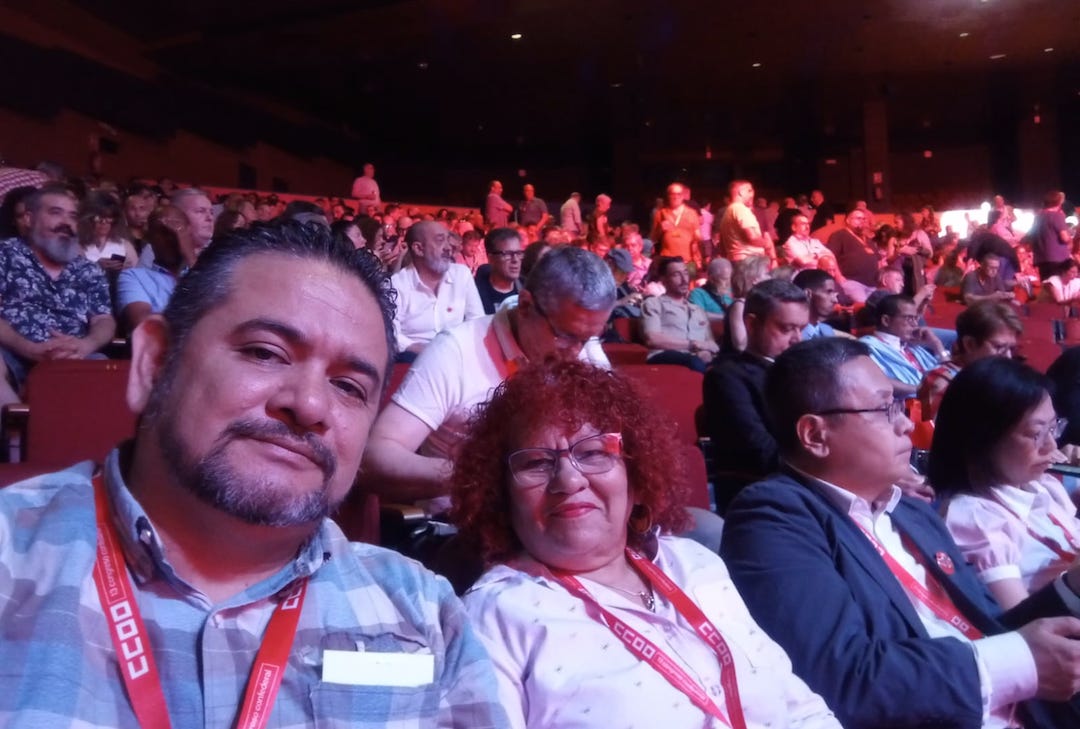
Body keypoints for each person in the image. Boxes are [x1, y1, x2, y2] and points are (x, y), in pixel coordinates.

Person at [0, 221, 507, 727]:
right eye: (265, 353)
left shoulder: (425, 615)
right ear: (154, 364)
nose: (309, 405)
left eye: (349, 387)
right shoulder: (10, 557)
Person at [454, 359, 842, 729]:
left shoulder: (695, 563)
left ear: (636, 475)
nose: (569, 480)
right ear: (502, 495)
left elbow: (799, 706)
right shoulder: (492, 617)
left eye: (593, 453)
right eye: (537, 463)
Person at [721, 337, 1080, 729]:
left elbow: (993, 627)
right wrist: (1018, 662)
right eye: (885, 408)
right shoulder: (773, 519)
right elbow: (843, 678)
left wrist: (1071, 589)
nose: (906, 423)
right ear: (815, 435)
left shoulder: (913, 512)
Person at [361, 246, 615, 512]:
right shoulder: (456, 351)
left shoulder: (585, 348)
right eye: (564, 336)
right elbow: (376, 456)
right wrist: (487, 476)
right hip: (466, 520)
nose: (576, 353)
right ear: (526, 305)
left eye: (588, 339)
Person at [933, 357, 1080, 610]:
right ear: (982, 439)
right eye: (1036, 434)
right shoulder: (974, 517)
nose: (1051, 446)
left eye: (1053, 428)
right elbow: (1017, 622)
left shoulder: (1041, 485)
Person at [0, 185, 116, 405]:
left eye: (72, 216)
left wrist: (86, 345)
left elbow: (104, 319)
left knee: (105, 369)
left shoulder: (88, 270)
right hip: (11, 354)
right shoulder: (5, 254)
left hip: (75, 359)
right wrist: (28, 348)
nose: (66, 222)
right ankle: (17, 423)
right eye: (55, 212)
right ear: (29, 219)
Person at [703, 278, 809, 512]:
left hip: (807, 487)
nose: (797, 339)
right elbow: (758, 451)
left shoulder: (808, 372)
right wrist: (826, 471)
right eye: (786, 328)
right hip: (763, 497)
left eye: (801, 329)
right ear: (751, 324)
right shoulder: (726, 376)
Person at [389, 221, 484, 361]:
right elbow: (391, 335)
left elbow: (477, 322)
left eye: (448, 240)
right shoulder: (396, 285)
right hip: (413, 360)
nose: (448, 247)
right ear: (418, 249)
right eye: (440, 240)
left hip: (457, 356)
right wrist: (420, 348)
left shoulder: (461, 275)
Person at [917, 301, 1022, 420]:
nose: (1008, 357)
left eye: (1012, 349)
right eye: (999, 347)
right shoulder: (942, 383)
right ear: (970, 344)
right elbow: (930, 430)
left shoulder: (1002, 380)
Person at [116, 205, 199, 331]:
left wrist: (190, 257)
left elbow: (220, 314)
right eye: (163, 232)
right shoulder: (134, 277)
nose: (172, 237)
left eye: (178, 228)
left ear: (189, 232)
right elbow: (144, 324)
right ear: (149, 238)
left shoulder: (207, 272)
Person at [859, 294, 949, 397]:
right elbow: (872, 379)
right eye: (909, 318)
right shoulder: (866, 347)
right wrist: (920, 390)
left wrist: (937, 345)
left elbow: (951, 374)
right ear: (886, 320)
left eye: (916, 318)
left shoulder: (913, 347)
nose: (915, 324)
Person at [640, 256, 717, 372]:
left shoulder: (697, 310)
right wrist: (694, 345)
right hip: (665, 356)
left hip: (698, 358)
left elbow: (711, 343)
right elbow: (652, 339)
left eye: (685, 273)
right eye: (676, 275)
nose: (684, 280)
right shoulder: (653, 303)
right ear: (664, 280)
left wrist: (706, 352)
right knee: (694, 362)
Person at [826, 207, 879, 303]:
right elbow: (830, 256)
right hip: (852, 282)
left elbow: (879, 260)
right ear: (848, 220)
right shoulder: (839, 235)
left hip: (873, 285)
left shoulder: (868, 240)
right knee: (864, 307)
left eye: (864, 219)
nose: (862, 221)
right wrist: (839, 277)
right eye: (858, 218)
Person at [717, 180, 775, 264]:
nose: (753, 194)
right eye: (749, 190)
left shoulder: (727, 212)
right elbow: (752, 237)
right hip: (749, 262)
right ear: (741, 192)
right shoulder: (741, 209)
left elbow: (722, 246)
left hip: (735, 260)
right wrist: (768, 244)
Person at [650, 183, 702, 267]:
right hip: (667, 260)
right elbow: (653, 238)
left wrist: (697, 237)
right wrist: (660, 229)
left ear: (683, 196)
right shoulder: (661, 213)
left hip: (687, 260)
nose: (676, 197)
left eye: (679, 194)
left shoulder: (692, 213)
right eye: (673, 194)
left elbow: (698, 236)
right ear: (668, 196)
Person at [475, 227, 523, 314]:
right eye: (507, 254)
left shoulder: (528, 289)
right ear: (491, 258)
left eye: (518, 253)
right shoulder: (475, 294)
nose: (515, 260)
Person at [1031, 190, 1071, 280]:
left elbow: (1031, 236)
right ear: (1059, 202)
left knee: (1046, 285)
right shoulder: (1057, 216)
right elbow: (1064, 237)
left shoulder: (1038, 217)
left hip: (1041, 258)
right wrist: (1070, 238)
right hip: (1058, 259)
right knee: (1056, 285)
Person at [793, 268, 842, 340]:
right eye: (828, 292)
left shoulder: (828, 331)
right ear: (808, 294)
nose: (835, 300)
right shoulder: (792, 336)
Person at [688, 257, 734, 325]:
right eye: (724, 279)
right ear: (712, 279)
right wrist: (726, 317)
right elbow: (697, 315)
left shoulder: (730, 292)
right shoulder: (697, 294)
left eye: (730, 278)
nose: (729, 283)